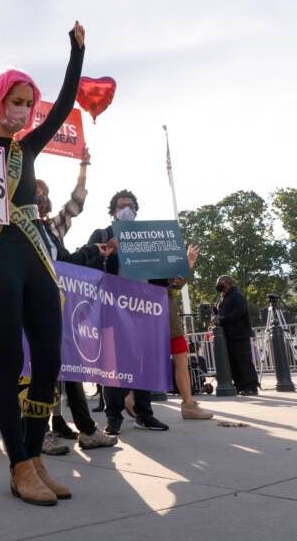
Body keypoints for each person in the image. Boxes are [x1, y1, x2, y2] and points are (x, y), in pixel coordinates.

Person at [0, 22, 85, 506]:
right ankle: (17, 463)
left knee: (49, 360)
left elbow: (63, 106)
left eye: (27, 102)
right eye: (15, 101)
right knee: (9, 363)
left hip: (36, 258)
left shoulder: (28, 147)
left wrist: (76, 54)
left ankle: (35, 455)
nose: (22, 110)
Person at [34, 176, 118, 453]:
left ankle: (88, 430)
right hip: (33, 305)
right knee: (41, 370)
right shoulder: (22, 228)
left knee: (71, 368)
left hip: (58, 306)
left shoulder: (47, 230)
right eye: (37, 192)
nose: (42, 197)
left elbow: (66, 262)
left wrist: (94, 252)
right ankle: (37, 431)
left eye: (45, 192)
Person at [87, 190, 169, 435]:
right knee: (113, 365)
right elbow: (86, 266)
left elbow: (158, 275)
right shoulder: (102, 235)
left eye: (131, 206)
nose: (127, 210)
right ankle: (113, 417)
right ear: (113, 212)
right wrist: (106, 252)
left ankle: (145, 414)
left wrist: (170, 276)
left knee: (144, 365)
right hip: (114, 309)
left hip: (144, 309)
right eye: (122, 206)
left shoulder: (148, 238)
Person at [156, 246, 214, 419]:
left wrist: (189, 262)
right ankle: (132, 398)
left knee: (181, 359)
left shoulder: (161, 264)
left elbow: (177, 282)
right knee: (147, 361)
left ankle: (188, 404)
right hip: (147, 317)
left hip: (169, 319)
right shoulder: (134, 262)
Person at [214, 275, 259, 395]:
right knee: (232, 362)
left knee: (243, 361)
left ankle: (251, 386)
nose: (217, 285)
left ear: (226, 282)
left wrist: (223, 319)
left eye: (219, 282)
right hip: (227, 336)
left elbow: (240, 311)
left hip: (239, 334)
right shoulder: (222, 299)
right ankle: (240, 385)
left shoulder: (236, 296)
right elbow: (217, 312)